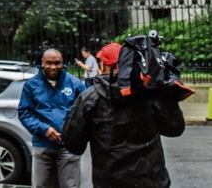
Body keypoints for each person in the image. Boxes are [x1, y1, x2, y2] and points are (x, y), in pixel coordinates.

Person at [63, 43, 186, 188]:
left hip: (110, 182)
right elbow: (175, 128)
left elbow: (73, 144)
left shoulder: (91, 97)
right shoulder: (150, 92)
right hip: (152, 181)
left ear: (105, 65)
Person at [17, 48, 85, 188]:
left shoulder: (76, 84)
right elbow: (24, 113)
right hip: (42, 146)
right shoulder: (31, 85)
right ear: (42, 63)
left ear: (62, 63)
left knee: (70, 186)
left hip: (68, 147)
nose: (53, 67)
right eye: (49, 63)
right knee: (40, 185)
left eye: (57, 63)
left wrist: (74, 134)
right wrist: (44, 129)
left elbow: (84, 113)